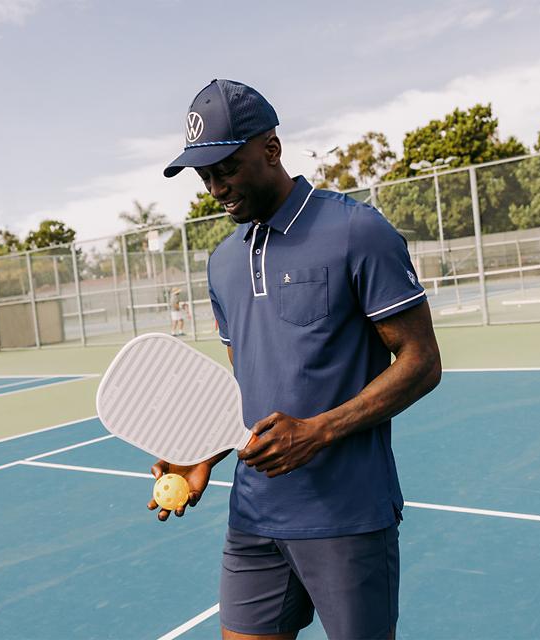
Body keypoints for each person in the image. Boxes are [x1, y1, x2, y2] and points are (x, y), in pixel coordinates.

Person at [152, 79, 442, 640]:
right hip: (254, 517)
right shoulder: (223, 263)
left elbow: (421, 360)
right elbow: (250, 384)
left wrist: (318, 430)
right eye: (203, 175)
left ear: (271, 148)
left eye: (226, 168)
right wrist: (202, 452)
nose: (215, 188)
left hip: (346, 515)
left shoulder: (356, 230)